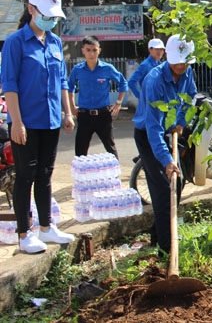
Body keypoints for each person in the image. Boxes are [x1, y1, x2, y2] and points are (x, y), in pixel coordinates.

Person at [0, 0, 76, 254]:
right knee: (25, 176)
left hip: (51, 120)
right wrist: (17, 122)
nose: (51, 21)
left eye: (54, 16)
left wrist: (67, 113)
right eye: (46, 15)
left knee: (45, 175)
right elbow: (9, 84)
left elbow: (62, 82)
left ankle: (46, 227)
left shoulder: (55, 43)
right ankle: (24, 234)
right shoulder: (15, 43)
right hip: (26, 122)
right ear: (31, 9)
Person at [132, 34, 197, 253]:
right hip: (148, 136)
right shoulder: (154, 80)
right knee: (162, 186)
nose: (182, 65)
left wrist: (180, 122)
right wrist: (167, 160)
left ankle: (157, 232)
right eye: (178, 60)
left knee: (176, 183)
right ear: (167, 57)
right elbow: (153, 128)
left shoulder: (188, 72)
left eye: (186, 61)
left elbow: (191, 98)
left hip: (170, 131)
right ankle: (166, 247)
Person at [68, 36, 128, 158]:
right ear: (83, 50)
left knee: (110, 148)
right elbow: (70, 87)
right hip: (84, 115)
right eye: (88, 50)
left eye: (94, 50)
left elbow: (123, 83)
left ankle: (114, 174)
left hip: (103, 115)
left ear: (99, 51)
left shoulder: (107, 68)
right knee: (80, 149)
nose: (91, 53)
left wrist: (118, 103)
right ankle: (81, 176)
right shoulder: (78, 70)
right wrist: (72, 106)